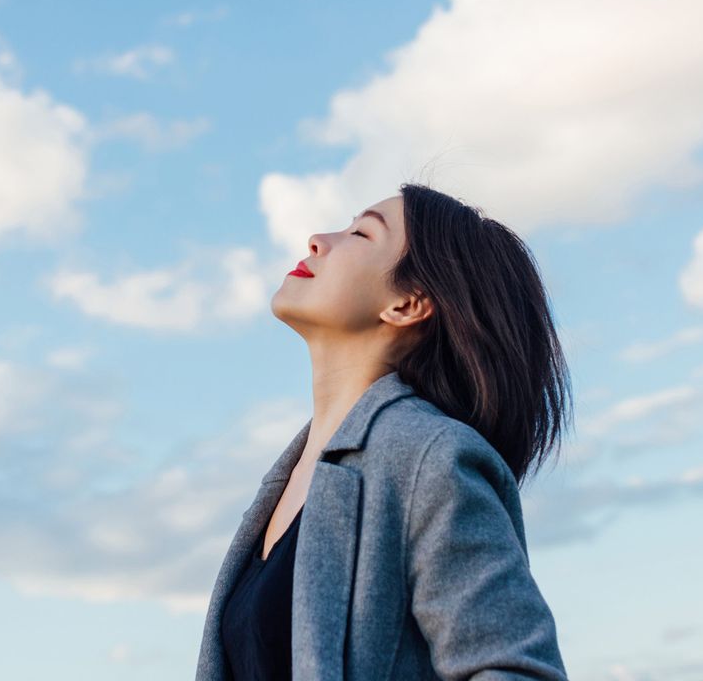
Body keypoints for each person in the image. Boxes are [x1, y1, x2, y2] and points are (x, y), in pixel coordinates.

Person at [196, 182, 572, 680]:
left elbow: (516, 669)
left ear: (408, 303)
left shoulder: (429, 456)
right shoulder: (288, 479)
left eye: (361, 233)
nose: (317, 240)